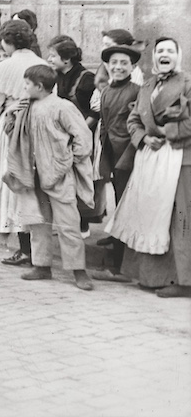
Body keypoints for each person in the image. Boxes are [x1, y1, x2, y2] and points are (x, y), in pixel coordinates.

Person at [4, 64, 96, 291]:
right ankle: (41, 265)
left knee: (68, 224)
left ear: (40, 86)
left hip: (59, 176)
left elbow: (83, 138)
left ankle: (78, 270)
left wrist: (65, 163)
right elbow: (11, 132)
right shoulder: (25, 106)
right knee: (38, 222)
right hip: (32, 175)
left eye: (27, 84)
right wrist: (12, 115)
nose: (24, 87)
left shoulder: (62, 107)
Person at [112, 37, 191, 297]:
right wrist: (144, 138)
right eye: (160, 51)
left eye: (170, 50)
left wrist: (165, 132)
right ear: (154, 57)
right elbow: (133, 120)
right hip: (150, 156)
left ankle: (182, 281)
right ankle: (149, 277)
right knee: (148, 213)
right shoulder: (147, 86)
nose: (164, 55)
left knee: (179, 219)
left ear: (178, 56)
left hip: (180, 158)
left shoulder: (187, 84)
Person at [0, 20, 46, 265]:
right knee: (31, 183)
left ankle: (24, 248)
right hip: (39, 127)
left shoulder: (4, 66)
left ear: (7, 42)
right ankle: (34, 248)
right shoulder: (42, 64)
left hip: (11, 126)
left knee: (11, 184)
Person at [91, 39, 141, 282]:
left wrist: (126, 158)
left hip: (128, 157)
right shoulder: (107, 91)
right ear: (107, 66)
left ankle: (120, 266)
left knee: (123, 208)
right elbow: (104, 124)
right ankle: (117, 261)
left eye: (124, 63)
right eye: (114, 63)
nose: (118, 67)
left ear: (132, 68)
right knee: (116, 206)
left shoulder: (136, 91)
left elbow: (135, 125)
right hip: (111, 154)